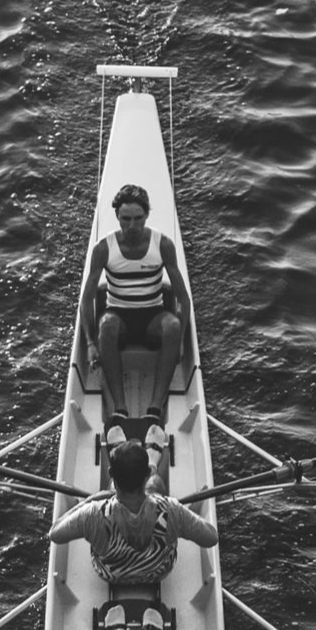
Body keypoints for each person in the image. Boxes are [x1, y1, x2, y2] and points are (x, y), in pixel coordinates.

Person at [79, 182, 193, 444]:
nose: (132, 226)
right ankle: (120, 408)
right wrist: (90, 344)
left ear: (147, 216)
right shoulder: (103, 248)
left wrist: (182, 343)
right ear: (117, 217)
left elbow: (183, 299)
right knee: (106, 324)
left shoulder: (162, 244)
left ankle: (155, 409)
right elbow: (86, 300)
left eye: (138, 219)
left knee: (173, 326)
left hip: (152, 316)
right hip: (119, 317)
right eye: (126, 219)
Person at [49, 437, 218, 597]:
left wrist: (89, 501)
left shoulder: (93, 513)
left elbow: (55, 533)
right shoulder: (171, 510)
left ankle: (122, 451)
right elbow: (211, 538)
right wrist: (178, 515)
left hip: (110, 574)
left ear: (111, 474)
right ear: (146, 474)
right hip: (158, 573)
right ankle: (154, 461)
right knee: (157, 484)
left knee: (67, 489)